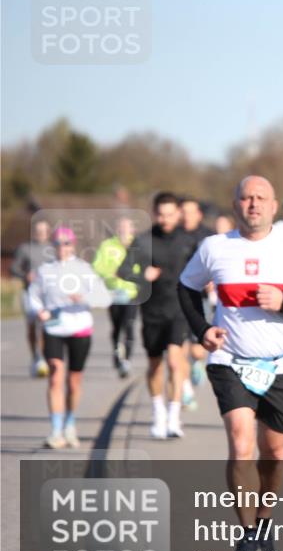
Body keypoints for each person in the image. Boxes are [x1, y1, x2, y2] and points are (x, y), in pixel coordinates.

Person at [177, 176, 283, 551]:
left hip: (282, 364)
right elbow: (186, 288)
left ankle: (264, 523)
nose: (253, 204)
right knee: (240, 443)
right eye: (246, 198)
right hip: (229, 360)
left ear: (274, 205)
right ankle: (248, 535)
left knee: (275, 451)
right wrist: (202, 331)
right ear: (234, 205)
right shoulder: (215, 247)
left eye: (261, 198)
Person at [118, 192, 195, 439]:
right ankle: (158, 412)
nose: (165, 219)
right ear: (154, 214)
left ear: (178, 214)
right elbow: (123, 270)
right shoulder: (143, 241)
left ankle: (174, 417)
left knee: (175, 361)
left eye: (170, 214)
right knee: (155, 365)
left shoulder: (187, 241)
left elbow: (202, 269)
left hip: (179, 310)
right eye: (161, 214)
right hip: (152, 311)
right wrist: (143, 275)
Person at [28, 227, 111, 448]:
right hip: (53, 329)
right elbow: (33, 295)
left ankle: (70, 423)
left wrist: (83, 297)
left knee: (73, 383)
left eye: (66, 243)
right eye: (57, 243)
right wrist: (39, 311)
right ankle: (56, 431)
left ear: (73, 246)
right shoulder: (45, 271)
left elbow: (104, 297)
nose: (62, 248)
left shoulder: (84, 269)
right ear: (52, 246)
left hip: (80, 328)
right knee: (55, 375)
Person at [92, 216, 139, 378]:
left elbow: (143, 265)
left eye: (127, 228)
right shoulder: (107, 246)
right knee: (117, 327)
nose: (124, 231)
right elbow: (97, 266)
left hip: (132, 292)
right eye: (121, 228)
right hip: (112, 293)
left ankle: (126, 360)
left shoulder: (138, 245)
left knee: (130, 325)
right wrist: (109, 274)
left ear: (132, 230)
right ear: (117, 230)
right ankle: (116, 351)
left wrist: (132, 275)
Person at [180, 196, 216, 407]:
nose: (186, 216)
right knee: (176, 351)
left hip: (200, 299)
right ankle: (185, 390)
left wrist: (211, 280)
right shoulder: (173, 236)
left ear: (199, 214)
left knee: (196, 349)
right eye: (183, 211)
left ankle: (197, 363)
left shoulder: (209, 238)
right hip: (176, 299)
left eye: (190, 211)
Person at [10, 219, 55, 377]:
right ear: (33, 232)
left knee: (43, 326)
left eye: (43, 231)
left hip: (47, 295)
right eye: (38, 231)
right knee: (31, 327)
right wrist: (25, 275)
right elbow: (14, 268)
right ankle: (35, 356)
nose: (40, 234)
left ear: (48, 232)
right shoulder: (24, 248)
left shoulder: (53, 249)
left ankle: (42, 358)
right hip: (29, 292)